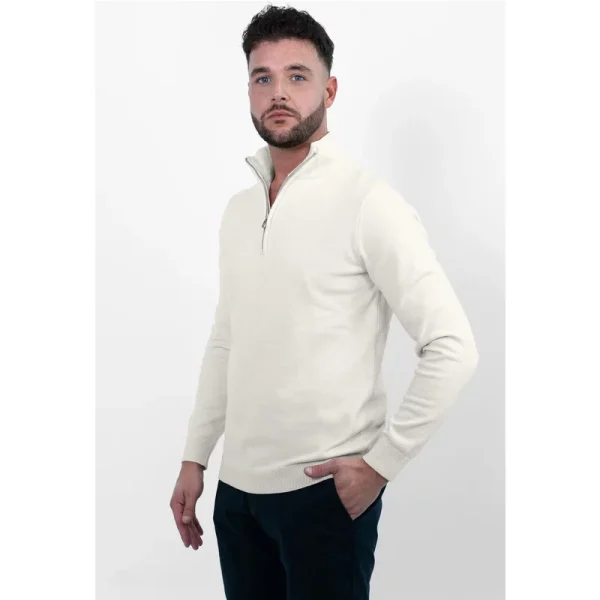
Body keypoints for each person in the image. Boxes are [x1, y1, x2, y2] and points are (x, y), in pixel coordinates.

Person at [169, 4, 479, 599]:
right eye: (262, 77)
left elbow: (452, 346)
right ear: (248, 91)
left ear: (329, 90)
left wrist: (382, 465)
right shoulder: (239, 211)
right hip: (237, 497)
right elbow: (227, 340)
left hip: (325, 496)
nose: (278, 93)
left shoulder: (369, 203)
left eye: (297, 75)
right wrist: (195, 457)